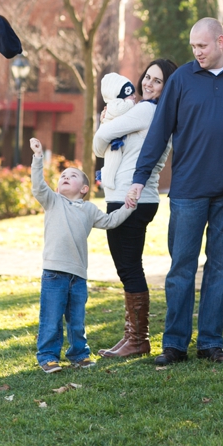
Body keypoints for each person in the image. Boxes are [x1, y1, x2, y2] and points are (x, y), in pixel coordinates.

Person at [128, 18, 223, 365]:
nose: (197, 52)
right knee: (182, 268)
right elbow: (159, 130)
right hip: (187, 191)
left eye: (202, 46)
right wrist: (140, 177)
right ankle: (174, 344)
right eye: (193, 47)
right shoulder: (182, 78)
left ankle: (211, 343)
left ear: (220, 41)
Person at [29, 137, 135, 373]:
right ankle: (47, 356)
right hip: (54, 273)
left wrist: (128, 206)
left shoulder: (89, 209)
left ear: (85, 189)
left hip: (78, 275)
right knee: (51, 319)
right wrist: (38, 157)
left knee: (77, 321)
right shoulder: (53, 201)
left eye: (72, 175)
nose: (66, 177)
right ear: (57, 187)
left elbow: (110, 221)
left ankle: (79, 355)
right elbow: (37, 186)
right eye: (63, 175)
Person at [93, 60, 177, 358]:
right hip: (139, 197)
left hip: (130, 198)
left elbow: (99, 141)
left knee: (128, 267)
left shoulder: (146, 110)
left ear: (168, 88)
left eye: (157, 81)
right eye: (147, 77)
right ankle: (133, 337)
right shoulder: (159, 114)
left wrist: (106, 123)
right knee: (128, 267)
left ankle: (138, 339)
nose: (148, 84)